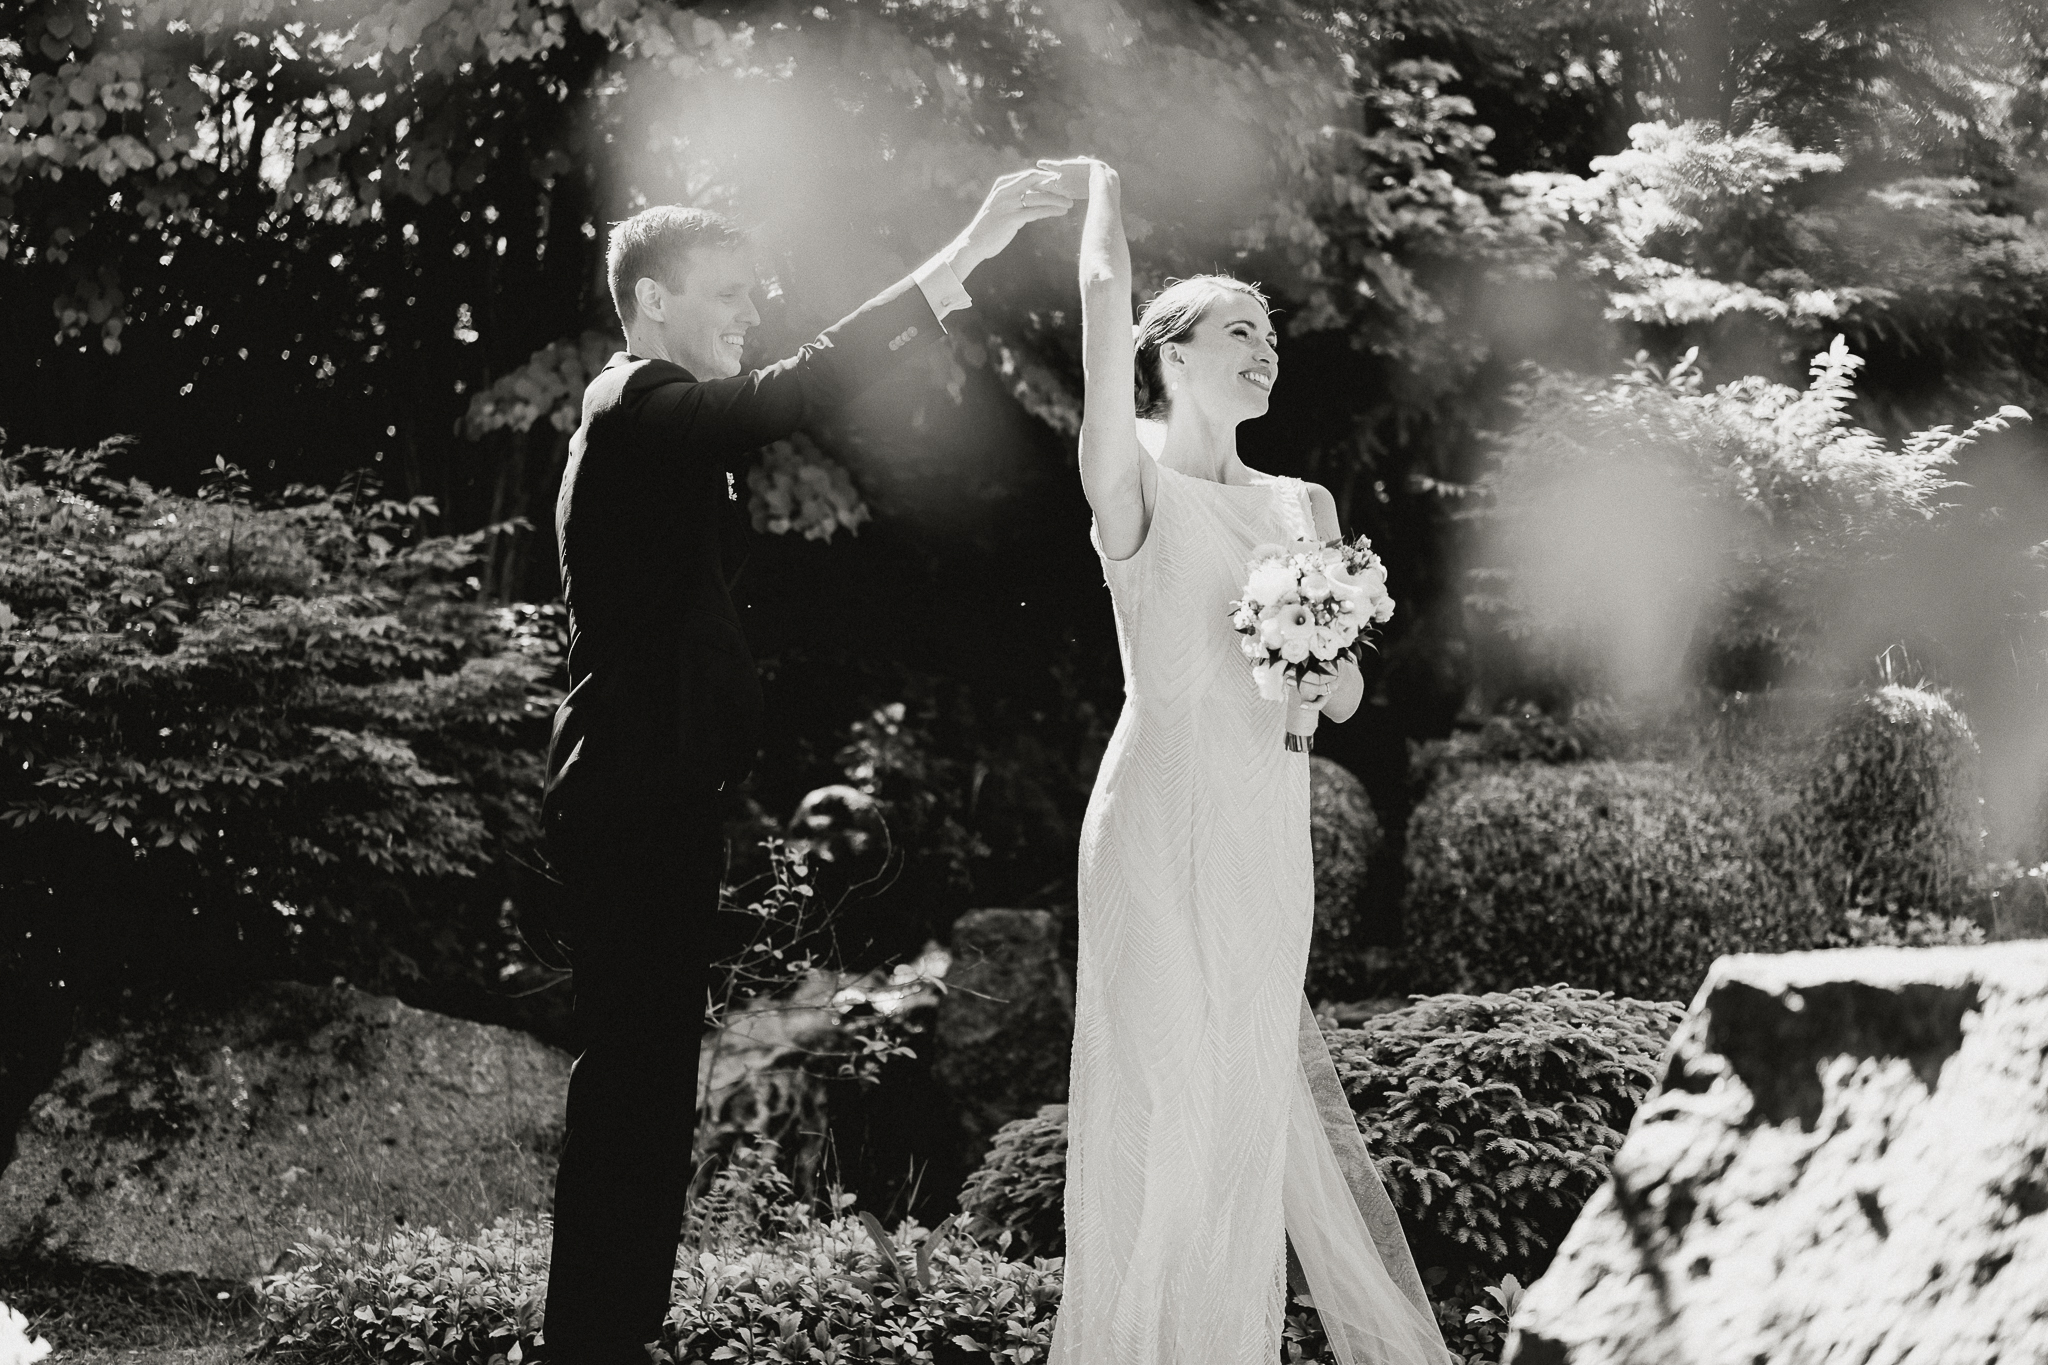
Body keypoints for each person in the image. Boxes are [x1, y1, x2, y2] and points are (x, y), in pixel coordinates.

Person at [538, 170, 1074, 1365]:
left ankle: (606, 1340)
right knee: (630, 1088)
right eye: (728, 292)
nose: (750, 308)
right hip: (629, 790)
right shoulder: (635, 399)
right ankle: (588, 1346)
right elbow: (800, 389)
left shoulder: (654, 419)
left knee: (643, 1088)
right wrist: (969, 249)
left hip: (653, 789)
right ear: (654, 298)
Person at [1040, 155, 1453, 1365]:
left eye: (1270, 334)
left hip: (1265, 820)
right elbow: (1104, 291)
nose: (1264, 349)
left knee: (1238, 1112)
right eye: (1237, 330)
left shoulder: (1303, 508)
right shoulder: (1131, 483)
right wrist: (1105, 191)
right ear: (1168, 357)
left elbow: (1346, 688)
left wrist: (1333, 680)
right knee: (1160, 1095)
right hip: (1157, 811)